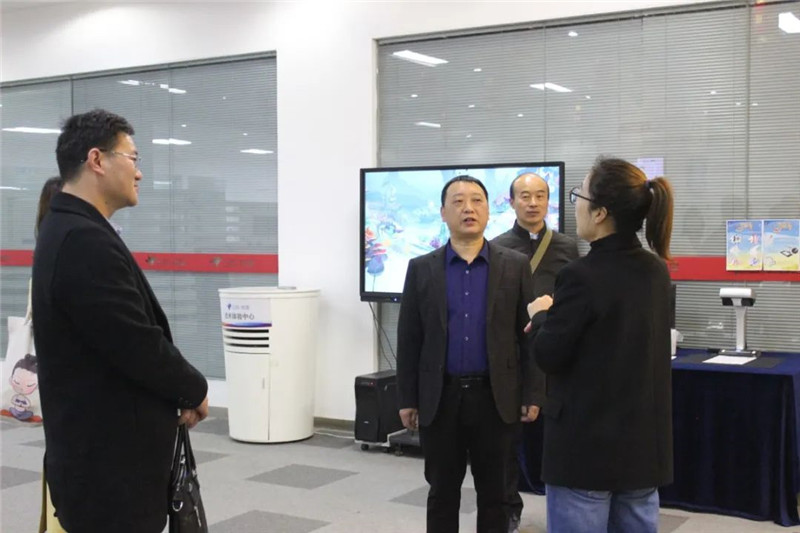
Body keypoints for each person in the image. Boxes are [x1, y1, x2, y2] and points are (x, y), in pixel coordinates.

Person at [31, 109, 209, 533]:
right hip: (107, 473)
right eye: (133, 158)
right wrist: (193, 387)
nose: (139, 172)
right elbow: (135, 343)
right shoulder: (82, 239)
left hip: (101, 462)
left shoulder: (72, 228)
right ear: (97, 160)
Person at [527, 156, 674, 533]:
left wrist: (542, 315)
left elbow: (549, 354)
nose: (575, 203)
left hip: (585, 451)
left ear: (601, 212)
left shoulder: (580, 276)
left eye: (580, 194)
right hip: (642, 450)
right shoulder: (656, 271)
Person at [396, 175, 544, 533]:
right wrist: (407, 398)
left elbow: (528, 337)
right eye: (458, 201)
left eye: (477, 200)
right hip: (440, 397)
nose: (468, 208)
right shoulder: (421, 268)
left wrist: (532, 393)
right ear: (443, 212)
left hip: (496, 398)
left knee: (496, 494)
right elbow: (409, 339)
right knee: (441, 492)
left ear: (489, 211)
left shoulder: (515, 265)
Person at [491, 172, 578, 532]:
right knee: (507, 443)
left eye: (540, 195)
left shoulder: (567, 247)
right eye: (525, 196)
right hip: (512, 354)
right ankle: (509, 508)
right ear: (511, 202)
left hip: (554, 353)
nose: (533, 203)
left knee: (558, 441)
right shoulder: (496, 246)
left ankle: (565, 512)